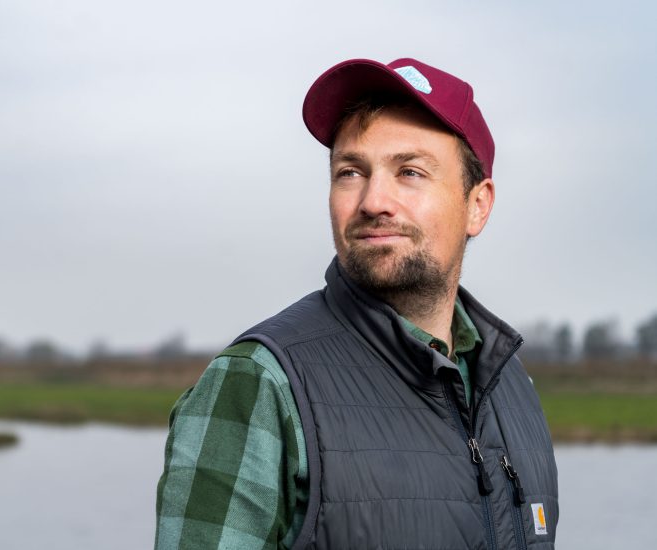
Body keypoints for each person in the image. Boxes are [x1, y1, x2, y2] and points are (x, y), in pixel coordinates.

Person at [155, 57, 558, 550]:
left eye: (409, 171)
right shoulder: (260, 383)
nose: (372, 201)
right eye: (350, 172)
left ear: (478, 205)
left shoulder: (512, 384)